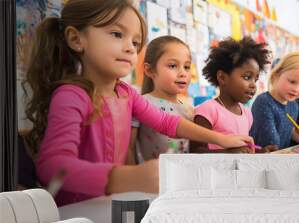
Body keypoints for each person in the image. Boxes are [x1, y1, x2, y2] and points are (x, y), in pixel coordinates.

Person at [24, 0, 253, 205]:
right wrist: (130, 177)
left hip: (111, 205)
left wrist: (221, 139)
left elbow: (167, 122)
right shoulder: (72, 95)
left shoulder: (126, 93)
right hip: (76, 215)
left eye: (135, 42)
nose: (130, 48)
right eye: (116, 34)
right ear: (76, 39)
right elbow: (52, 168)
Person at [190, 37, 271, 153]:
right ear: (222, 77)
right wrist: (228, 153)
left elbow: (243, 149)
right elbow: (196, 151)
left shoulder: (247, 114)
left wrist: (261, 151)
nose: (253, 85)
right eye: (247, 77)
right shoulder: (208, 111)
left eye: (255, 79)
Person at [134, 35, 194, 161]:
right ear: (149, 70)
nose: (183, 73)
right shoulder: (141, 104)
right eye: (173, 66)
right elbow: (129, 150)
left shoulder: (189, 109)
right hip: (152, 178)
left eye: (187, 67)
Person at [250, 52, 299, 150]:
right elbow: (271, 143)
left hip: (280, 157)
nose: (296, 89)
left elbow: (289, 131)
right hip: (262, 158)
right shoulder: (264, 102)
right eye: (292, 82)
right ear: (277, 74)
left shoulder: (293, 105)